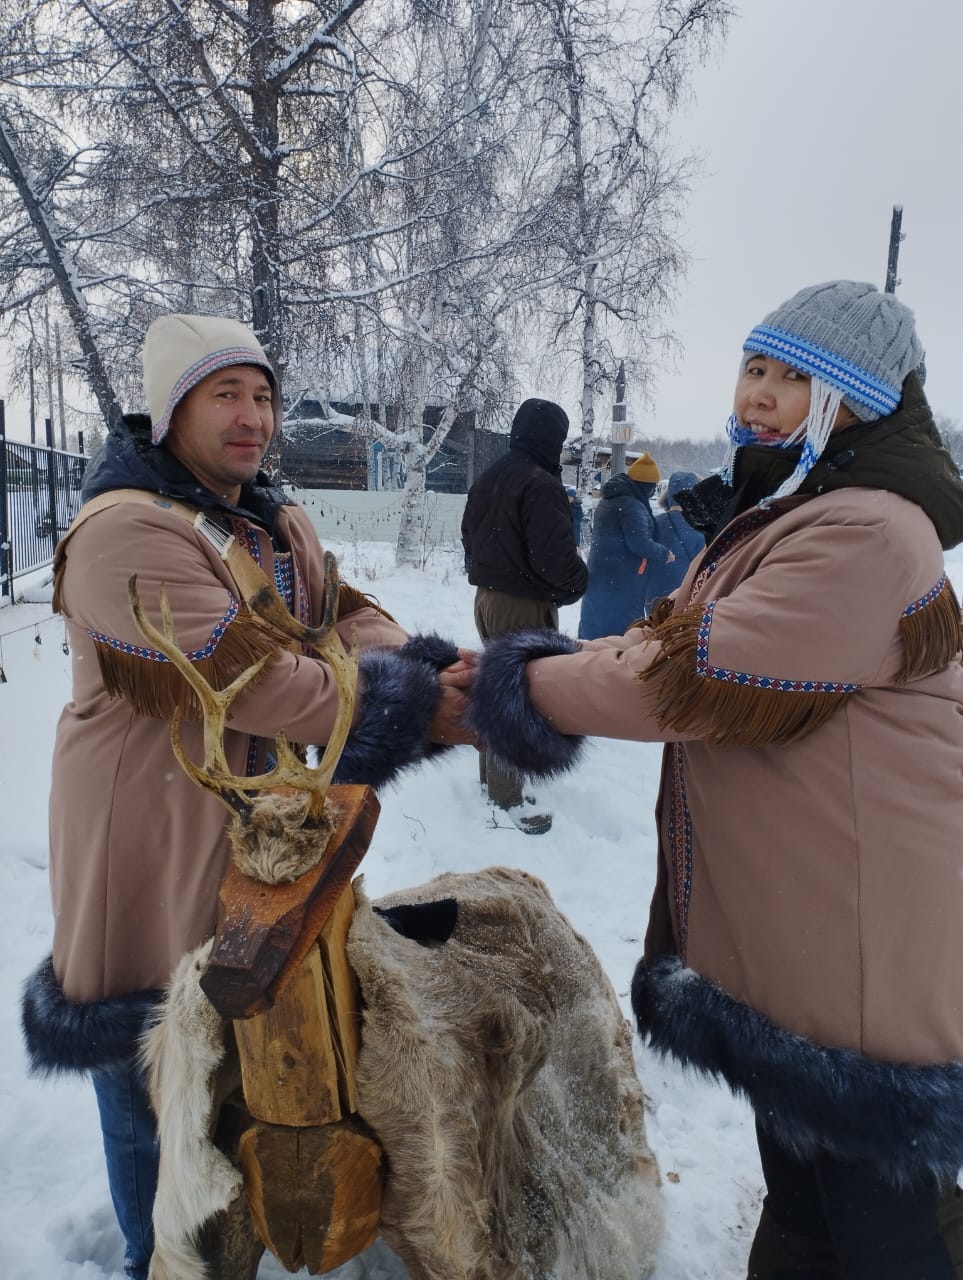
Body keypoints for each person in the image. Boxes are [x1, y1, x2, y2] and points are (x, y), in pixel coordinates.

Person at [467, 280, 963, 1278]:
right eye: (754, 367)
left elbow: (684, 675)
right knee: (810, 1192)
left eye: (793, 378)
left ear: (854, 402)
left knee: (886, 1218)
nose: (759, 394)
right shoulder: (798, 507)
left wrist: (512, 681)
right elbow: (677, 634)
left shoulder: (866, 527)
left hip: (863, 931)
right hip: (810, 921)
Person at [20, 313, 473, 1280]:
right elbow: (265, 682)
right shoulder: (123, 534)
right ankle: (160, 1256)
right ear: (169, 407)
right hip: (148, 835)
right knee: (155, 1070)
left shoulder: (268, 519)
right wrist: (419, 705)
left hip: (259, 834)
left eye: (263, 395)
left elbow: (344, 611)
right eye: (225, 393)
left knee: (248, 1054)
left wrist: (424, 663)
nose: (253, 416)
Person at [460, 397, 587, 834]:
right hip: (521, 603)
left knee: (496, 688)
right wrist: (577, 582)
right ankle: (506, 799)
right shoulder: (540, 483)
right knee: (513, 697)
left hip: (488, 598)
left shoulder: (490, 478)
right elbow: (553, 557)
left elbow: (468, 537)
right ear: (553, 438)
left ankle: (492, 782)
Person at [577, 452, 675, 640]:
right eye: (653, 486)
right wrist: (664, 553)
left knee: (596, 632)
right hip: (621, 581)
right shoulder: (631, 505)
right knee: (619, 635)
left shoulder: (611, 499)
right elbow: (639, 543)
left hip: (603, 577)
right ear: (646, 485)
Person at [640, 469, 705, 615]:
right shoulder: (702, 528)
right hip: (685, 601)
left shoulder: (653, 524)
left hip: (653, 599)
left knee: (653, 635)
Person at [565, 484, 584, 549]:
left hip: (574, 530)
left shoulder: (577, 507)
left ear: (574, 497)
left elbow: (579, 518)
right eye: (568, 496)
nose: (569, 498)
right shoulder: (565, 505)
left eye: (570, 497)